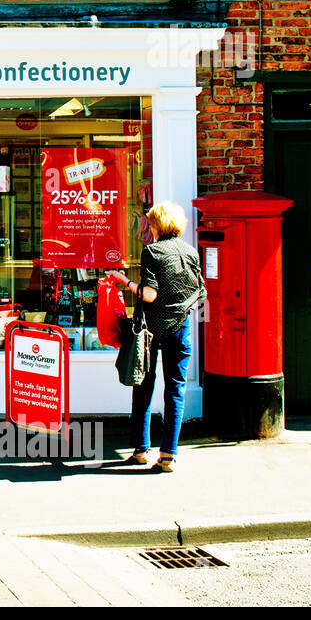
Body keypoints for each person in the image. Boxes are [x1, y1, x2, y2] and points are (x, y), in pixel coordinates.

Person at [106, 201, 206, 473]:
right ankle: (168, 456)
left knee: (144, 386)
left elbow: (149, 294)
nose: (148, 228)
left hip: (151, 331)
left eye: (150, 223)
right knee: (176, 390)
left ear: (157, 226)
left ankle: (140, 450)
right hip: (181, 329)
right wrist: (180, 309)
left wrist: (122, 281)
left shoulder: (152, 251)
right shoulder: (190, 252)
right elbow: (201, 292)